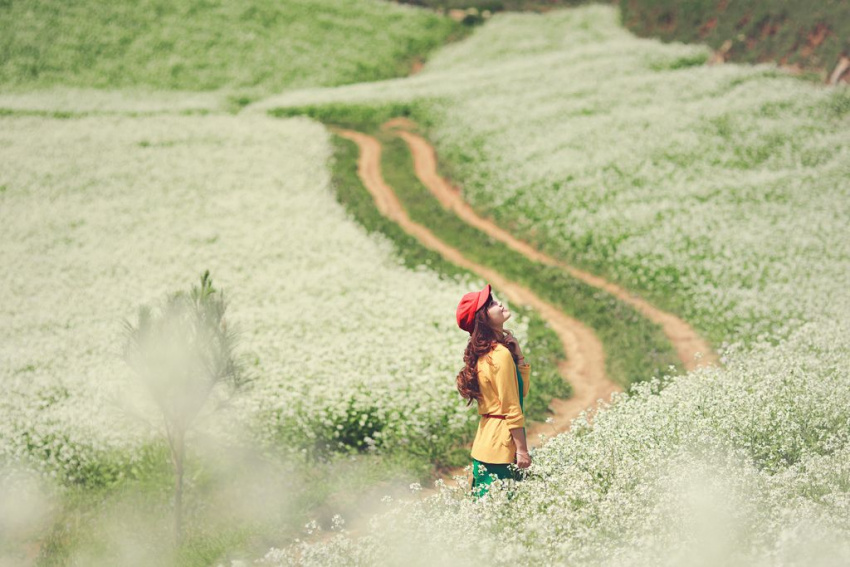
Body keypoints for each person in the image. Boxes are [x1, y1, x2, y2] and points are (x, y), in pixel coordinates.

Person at [455, 283, 531, 499]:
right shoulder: (499, 355)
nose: (498, 303)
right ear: (483, 319)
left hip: (487, 443)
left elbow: (519, 392)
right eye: (490, 303)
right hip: (501, 446)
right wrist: (522, 450)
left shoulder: (493, 353)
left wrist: (520, 357)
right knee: (501, 514)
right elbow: (512, 405)